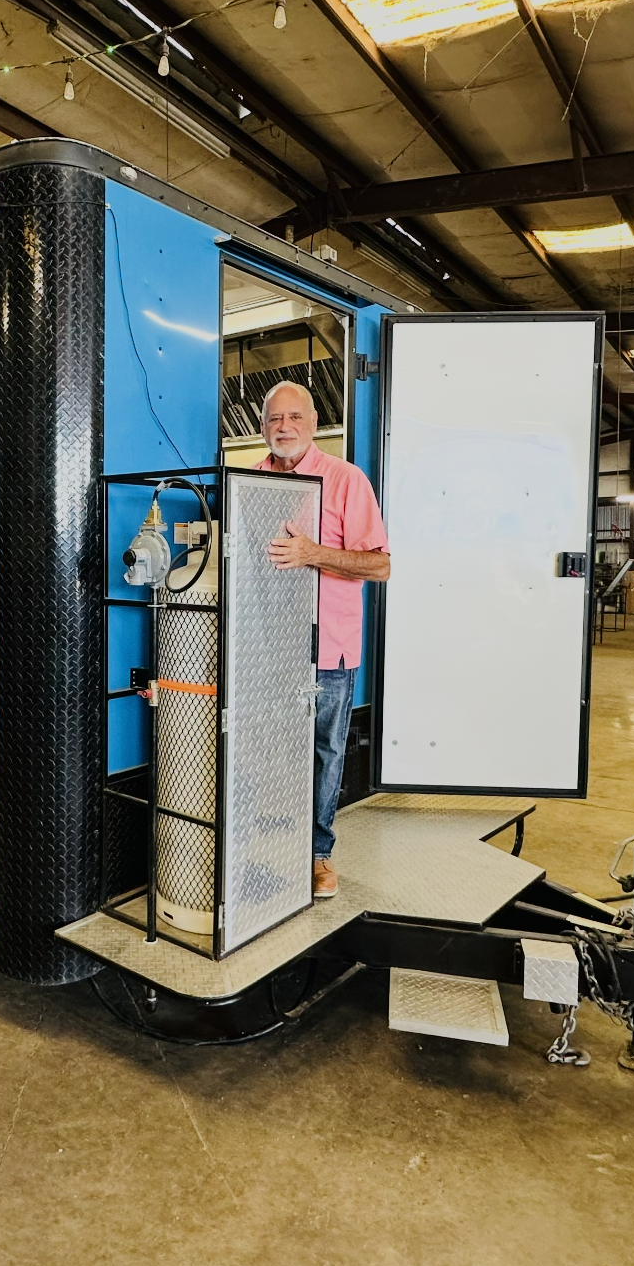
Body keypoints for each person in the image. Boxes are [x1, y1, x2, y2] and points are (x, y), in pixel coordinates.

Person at [259, 380, 388, 899]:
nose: (283, 427)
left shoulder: (344, 480)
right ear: (263, 427)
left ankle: (316, 855)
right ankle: (268, 843)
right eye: (274, 419)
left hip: (327, 647)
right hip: (264, 646)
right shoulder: (251, 480)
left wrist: (313, 553)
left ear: (313, 423)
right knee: (265, 747)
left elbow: (380, 565)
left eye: (294, 418)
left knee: (323, 750)